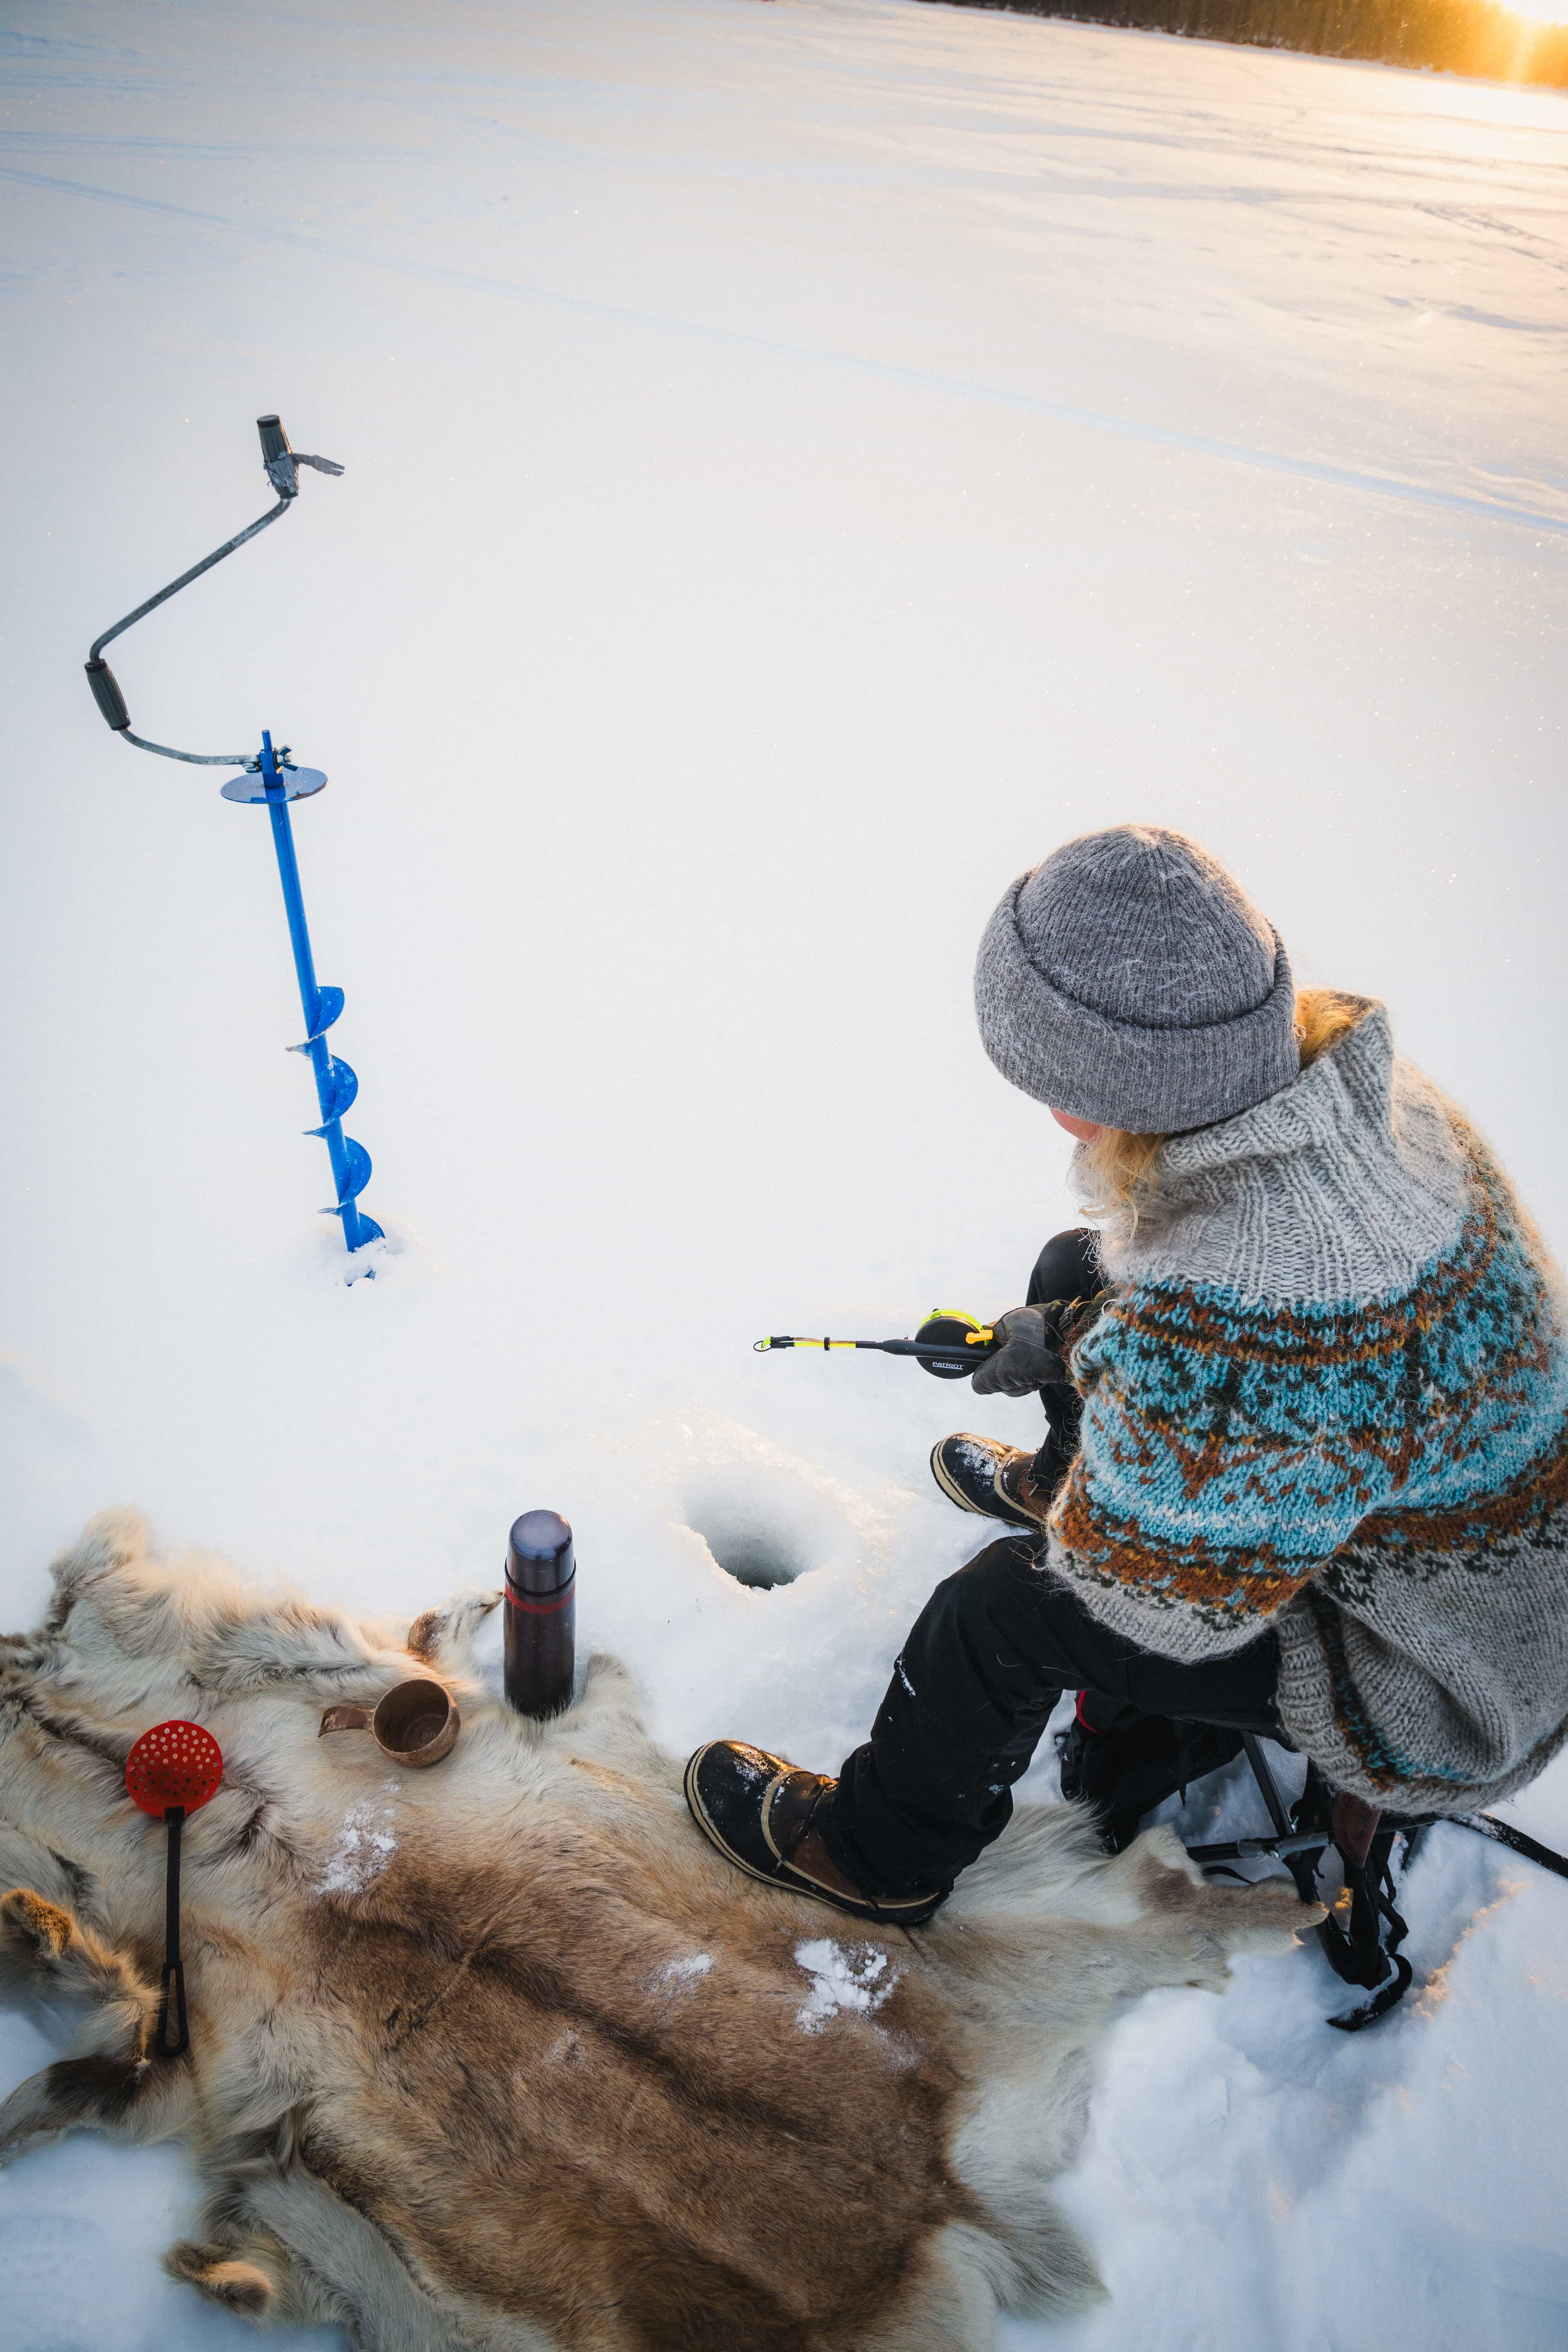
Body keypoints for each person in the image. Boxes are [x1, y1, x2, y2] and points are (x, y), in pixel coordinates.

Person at [685, 825, 1568, 1925]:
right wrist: (1068, 1339)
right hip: (1477, 1578)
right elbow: (1253, 1362)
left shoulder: (1240, 1309)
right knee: (1077, 1268)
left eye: (1050, 1080)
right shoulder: (1352, 1097)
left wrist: (1104, 1473)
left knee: (1000, 1613)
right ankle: (1081, 1482)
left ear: (1112, 1085)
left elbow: (1170, 1610)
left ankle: (882, 1854)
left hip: (1438, 1685)